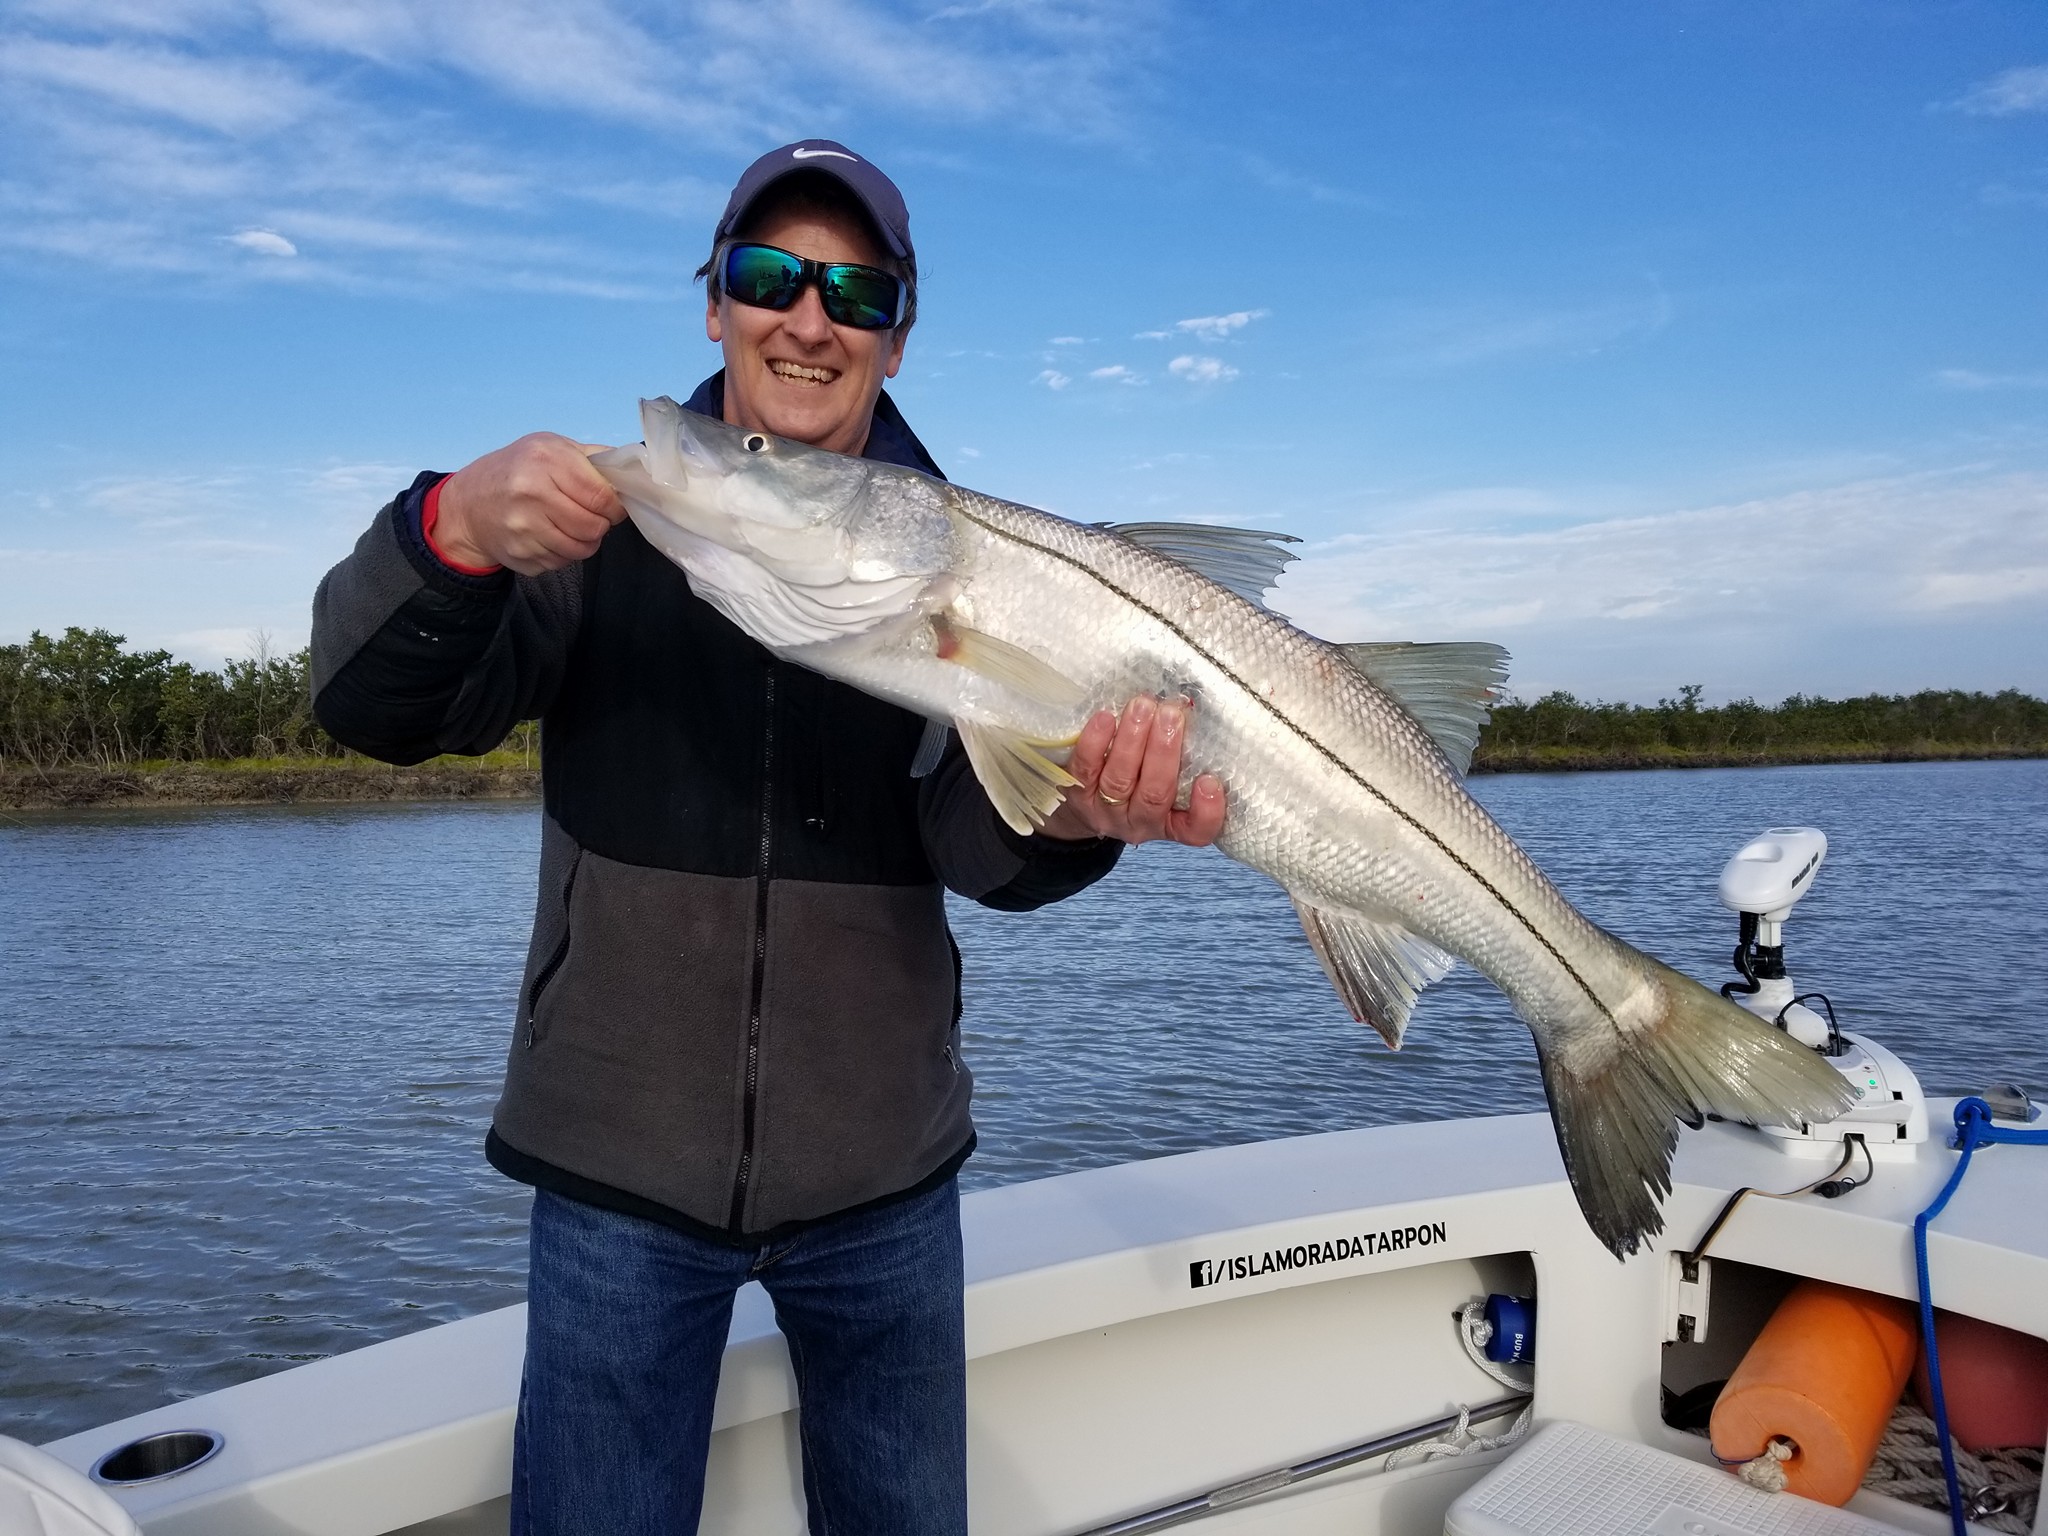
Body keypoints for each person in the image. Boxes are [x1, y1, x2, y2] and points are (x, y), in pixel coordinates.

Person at [309, 139, 1226, 1535]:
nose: (809, 317)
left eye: (855, 292)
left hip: (886, 1183)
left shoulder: (960, 567)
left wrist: (1076, 813)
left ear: (897, 340)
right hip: (616, 1173)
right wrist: (452, 531)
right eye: (769, 275)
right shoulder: (593, 532)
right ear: (716, 305)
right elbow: (372, 710)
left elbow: (979, 852)